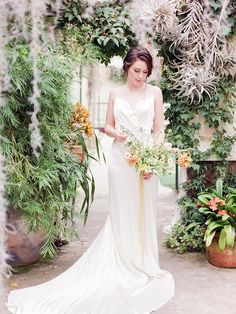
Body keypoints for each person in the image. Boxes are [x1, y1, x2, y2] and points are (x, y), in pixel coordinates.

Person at [7, 46, 174, 314]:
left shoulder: (155, 93)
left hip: (146, 163)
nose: (141, 76)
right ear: (127, 69)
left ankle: (144, 263)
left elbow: (159, 130)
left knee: (144, 213)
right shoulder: (115, 93)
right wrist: (115, 134)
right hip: (121, 161)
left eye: (145, 72)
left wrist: (154, 159)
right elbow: (106, 125)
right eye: (136, 71)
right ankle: (124, 262)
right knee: (123, 213)